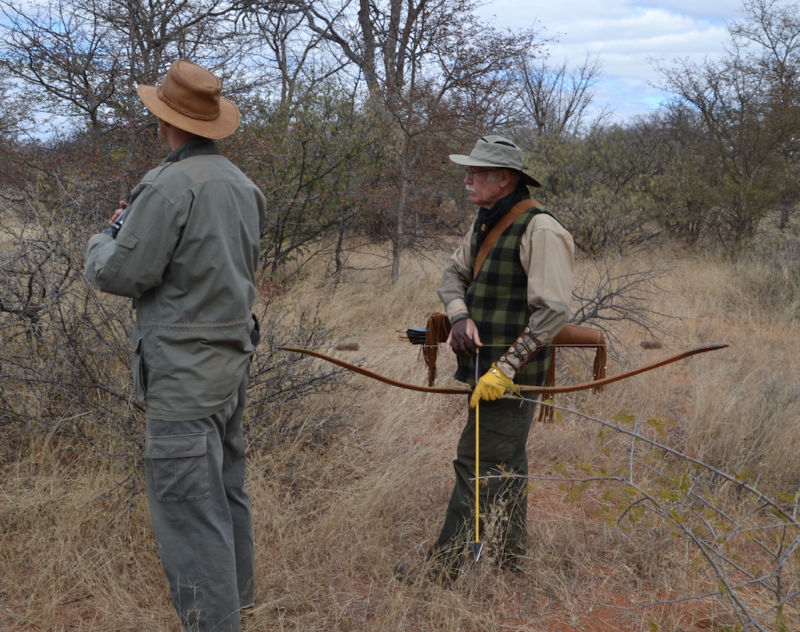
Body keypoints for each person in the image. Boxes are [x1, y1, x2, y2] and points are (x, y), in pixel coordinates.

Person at [84, 60, 266, 632]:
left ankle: (214, 624)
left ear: (164, 119)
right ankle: (237, 606)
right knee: (226, 493)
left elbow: (118, 273)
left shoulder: (167, 186)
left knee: (189, 513)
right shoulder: (242, 184)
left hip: (184, 378)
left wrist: (101, 239)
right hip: (228, 367)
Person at [430, 135, 574, 577]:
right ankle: (511, 560)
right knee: (506, 462)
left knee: (475, 463)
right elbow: (453, 274)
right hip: (483, 370)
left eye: (477, 173)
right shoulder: (484, 221)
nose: (467, 180)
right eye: (468, 171)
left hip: (512, 376)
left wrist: (507, 368)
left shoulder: (541, 229)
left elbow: (552, 311)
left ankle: (446, 571)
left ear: (505, 179)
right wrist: (458, 316)